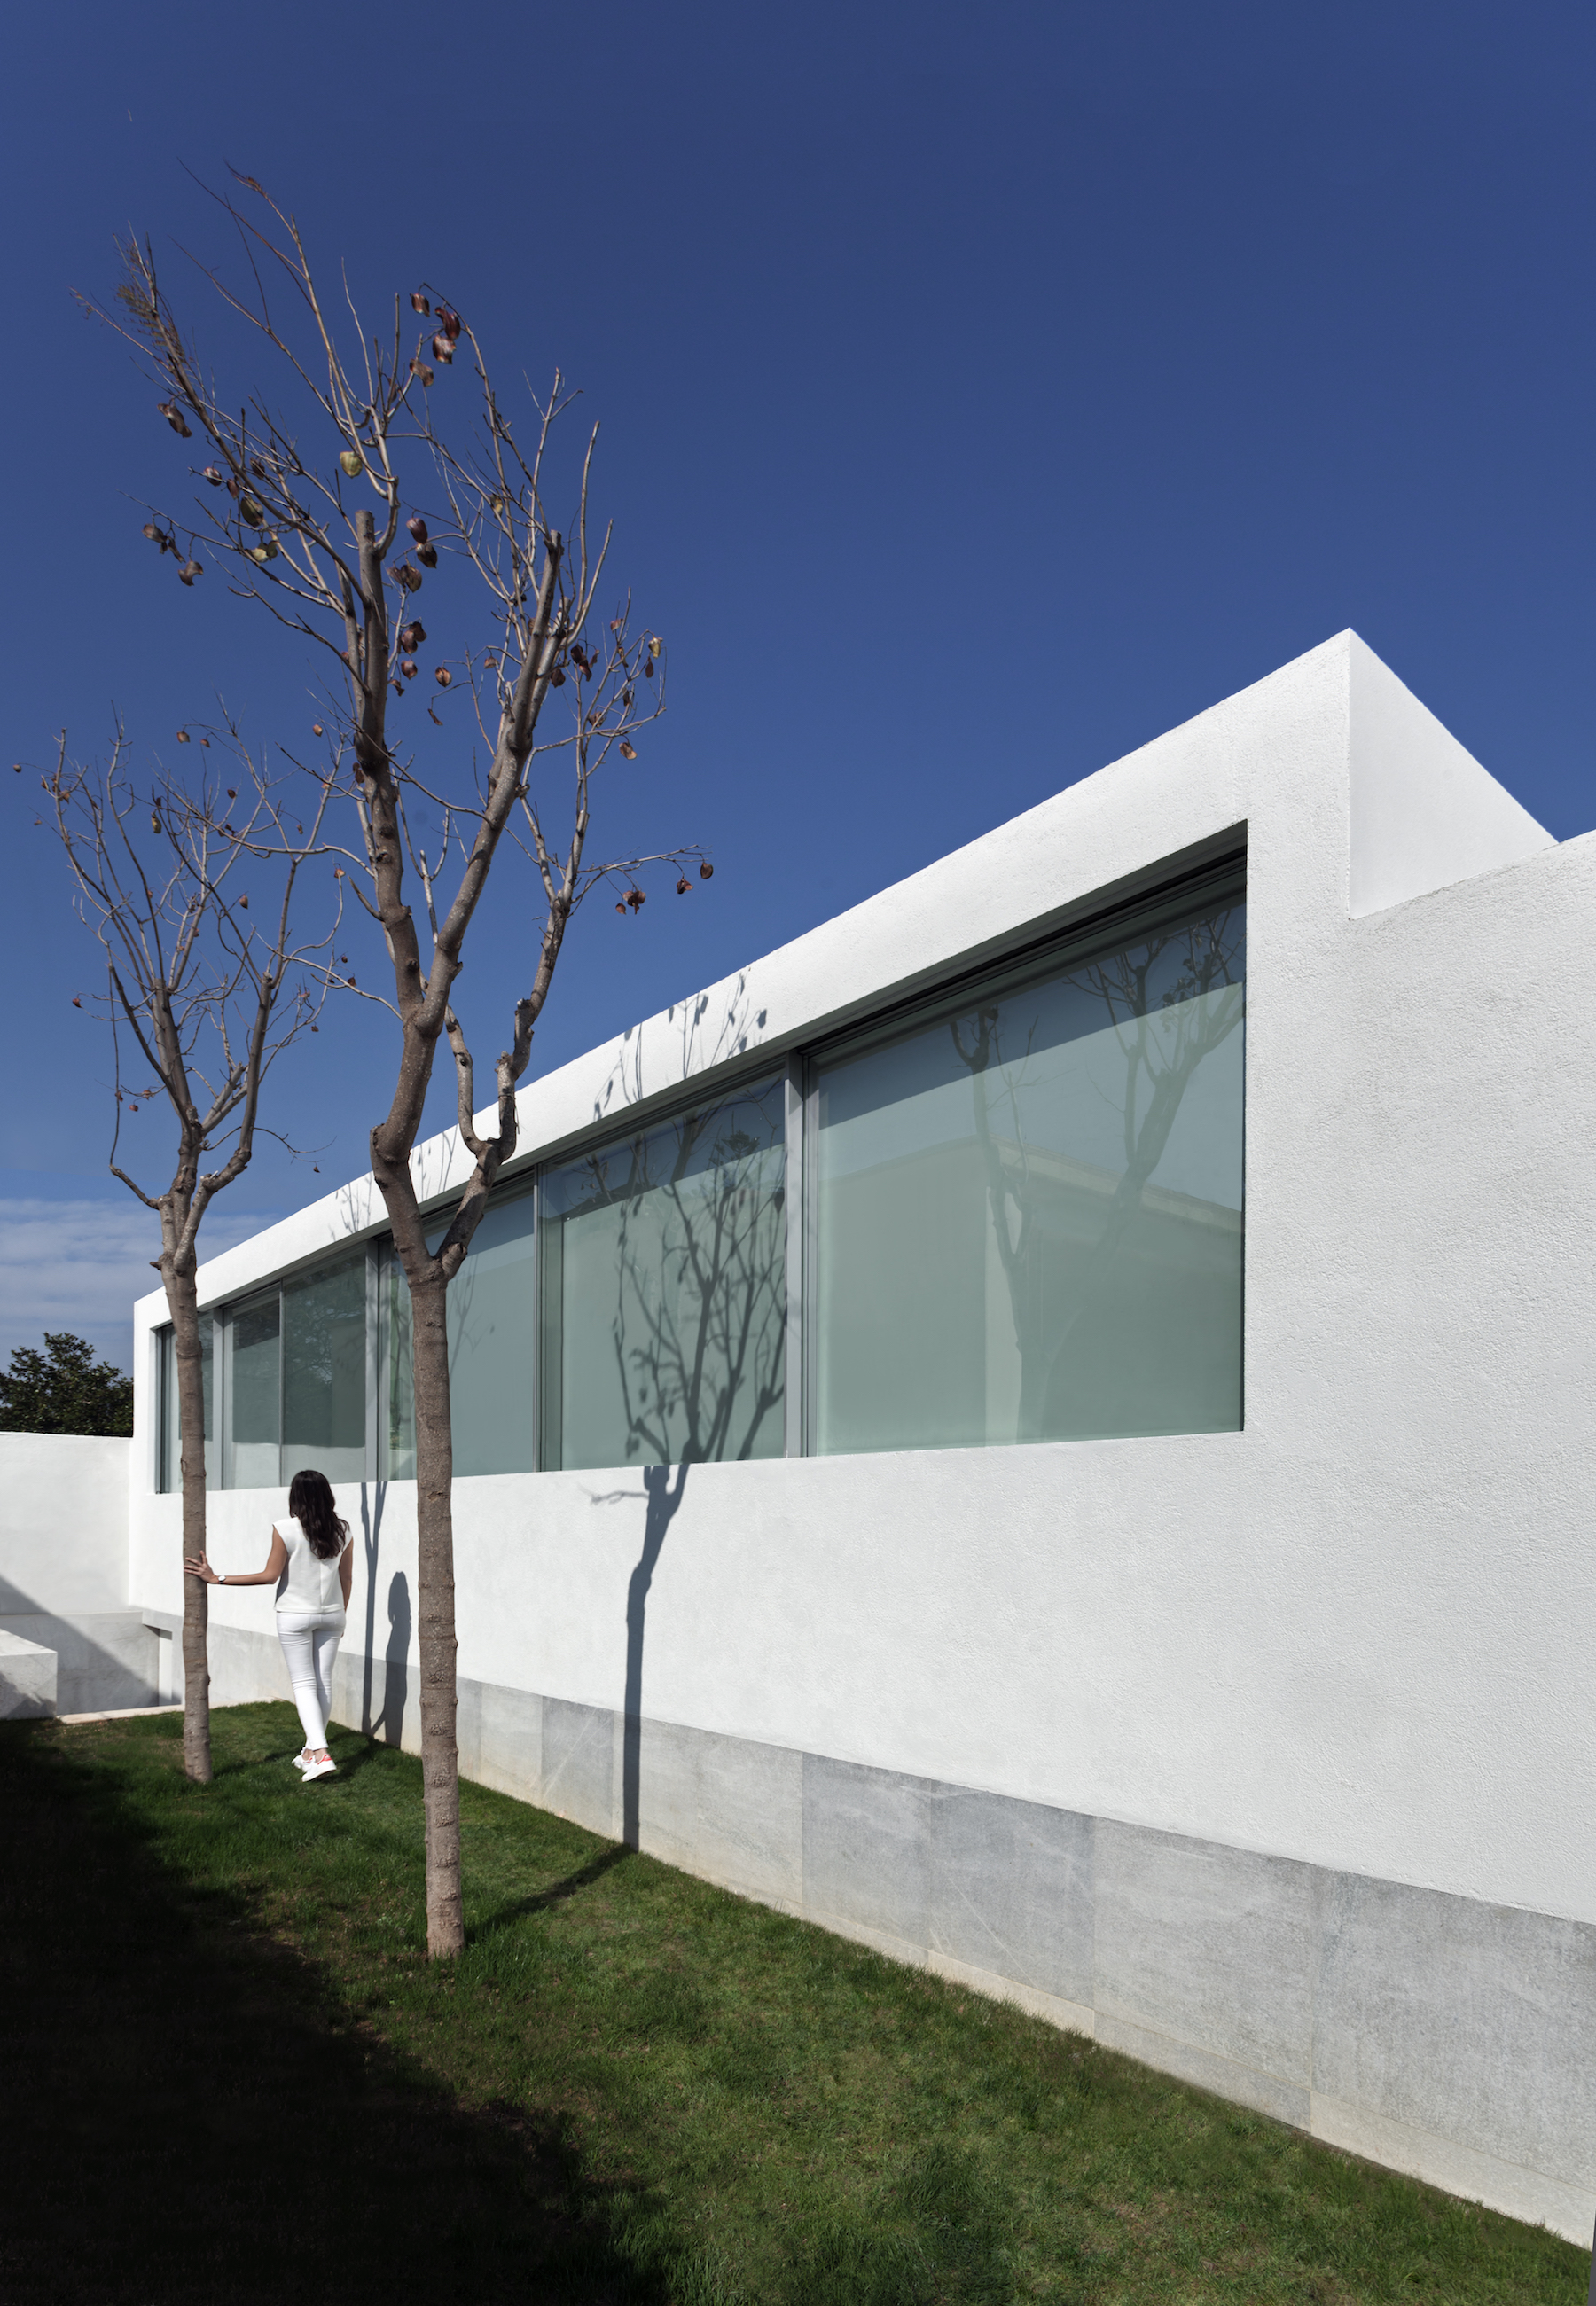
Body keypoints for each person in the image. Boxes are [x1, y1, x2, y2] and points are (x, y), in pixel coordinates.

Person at [184, 1468, 353, 1782]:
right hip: (333, 1613)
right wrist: (341, 1615)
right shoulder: (343, 1530)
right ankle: (309, 1752)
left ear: (296, 1497)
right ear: (327, 1495)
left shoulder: (285, 1528)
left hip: (294, 1615)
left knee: (304, 1683)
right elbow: (346, 1578)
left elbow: (269, 1575)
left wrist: (216, 1578)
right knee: (323, 1683)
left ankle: (321, 1753)